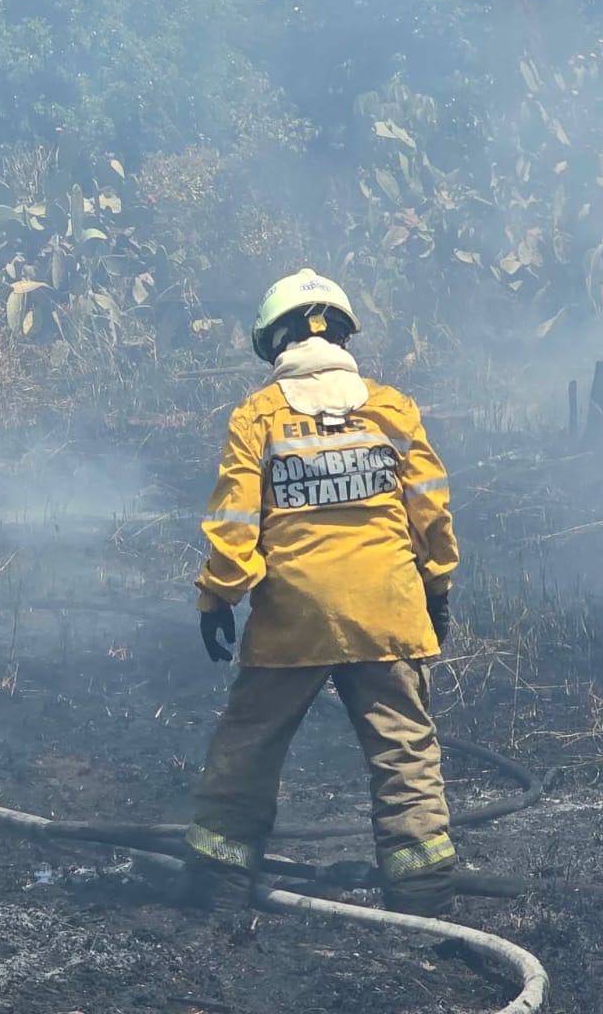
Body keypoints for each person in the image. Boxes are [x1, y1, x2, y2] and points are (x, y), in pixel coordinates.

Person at [184, 268, 460, 917]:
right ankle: (422, 889)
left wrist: (217, 597)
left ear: (276, 342)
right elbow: (430, 510)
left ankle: (220, 881)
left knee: (249, 743)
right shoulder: (390, 409)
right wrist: (437, 586)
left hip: (295, 617)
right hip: (387, 607)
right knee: (404, 749)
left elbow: (235, 524)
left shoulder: (259, 417)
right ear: (340, 334)